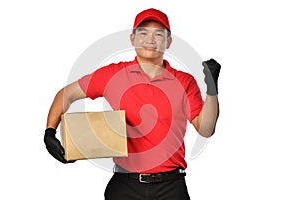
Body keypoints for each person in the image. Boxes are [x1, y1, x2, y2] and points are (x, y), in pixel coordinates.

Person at [44, 8, 221, 200]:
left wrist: (211, 91)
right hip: (125, 186)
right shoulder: (113, 75)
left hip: (171, 187)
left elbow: (205, 129)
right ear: (132, 39)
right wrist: (49, 132)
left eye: (158, 34)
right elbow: (66, 94)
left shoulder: (184, 81)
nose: (150, 40)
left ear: (168, 42)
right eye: (143, 33)